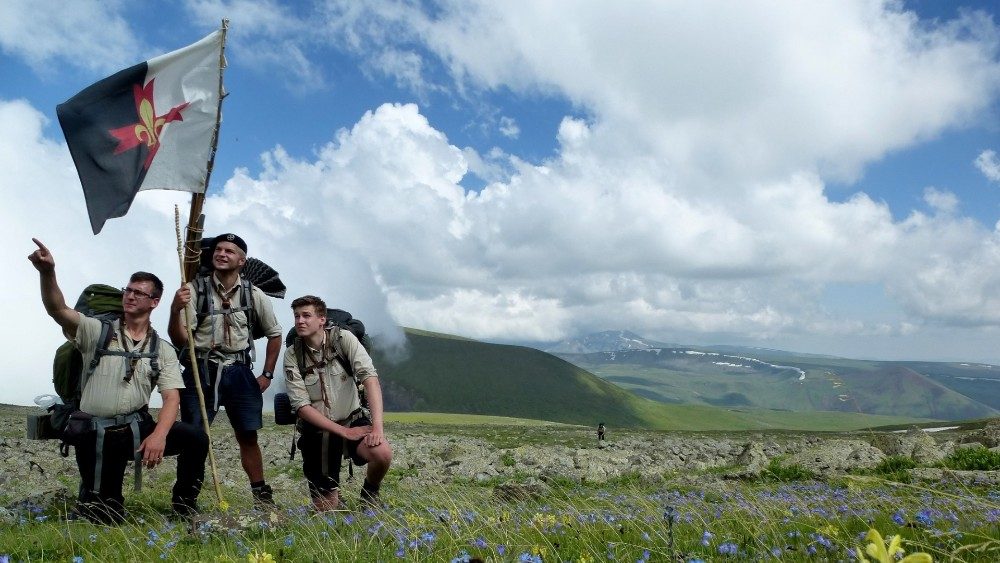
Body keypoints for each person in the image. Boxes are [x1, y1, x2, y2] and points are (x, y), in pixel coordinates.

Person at [28, 238, 207, 524]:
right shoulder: (95, 331)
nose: (130, 297)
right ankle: (95, 500)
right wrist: (47, 272)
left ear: (154, 302)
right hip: (95, 433)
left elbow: (171, 397)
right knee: (107, 516)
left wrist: (159, 435)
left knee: (195, 438)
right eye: (128, 290)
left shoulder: (161, 349)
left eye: (139, 293)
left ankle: (184, 506)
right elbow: (57, 310)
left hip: (136, 429)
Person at [167, 233, 283, 506]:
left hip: (239, 370)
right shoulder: (194, 290)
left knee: (248, 434)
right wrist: (175, 310)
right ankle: (185, 501)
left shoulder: (253, 294)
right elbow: (181, 339)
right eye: (218, 249)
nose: (221, 254)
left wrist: (267, 374)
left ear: (242, 261)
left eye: (229, 251)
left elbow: (275, 334)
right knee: (194, 435)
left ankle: (261, 496)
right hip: (201, 368)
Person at [284, 295, 392, 511]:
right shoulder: (292, 354)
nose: (300, 321)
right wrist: (343, 432)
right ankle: (333, 495)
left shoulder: (344, 340)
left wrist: (377, 428)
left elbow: (370, 379)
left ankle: (370, 494)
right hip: (317, 430)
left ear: (322, 319)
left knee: (382, 453)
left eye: (306, 315)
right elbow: (302, 407)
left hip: (352, 419)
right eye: (297, 316)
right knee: (327, 511)